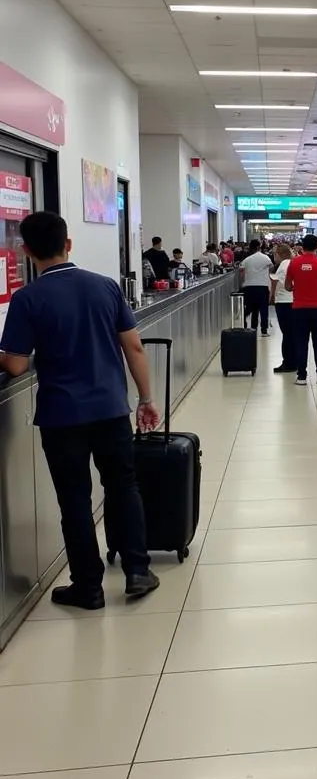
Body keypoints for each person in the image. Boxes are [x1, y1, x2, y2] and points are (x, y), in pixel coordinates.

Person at [0, 212, 160, 608]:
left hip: (61, 415)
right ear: (68, 244)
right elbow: (134, 348)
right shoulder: (105, 287)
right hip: (110, 408)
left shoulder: (27, 299)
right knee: (123, 486)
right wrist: (146, 399)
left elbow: (16, 364)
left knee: (74, 499)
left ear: (26, 252)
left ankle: (88, 587)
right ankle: (137, 571)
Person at [285, 234, 317, 385]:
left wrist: (296, 287)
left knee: (301, 342)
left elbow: (287, 286)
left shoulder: (294, 263)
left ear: (302, 246)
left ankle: (301, 376)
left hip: (299, 308)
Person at [269, 243, 295, 374]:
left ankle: (288, 363)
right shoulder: (293, 263)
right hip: (293, 301)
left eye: (275, 254)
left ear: (282, 254)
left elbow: (276, 283)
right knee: (293, 333)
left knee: (287, 334)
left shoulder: (282, 266)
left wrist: (272, 296)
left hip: (284, 302)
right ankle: (294, 361)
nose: (274, 257)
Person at [239, 239, 273, 336]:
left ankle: (253, 327)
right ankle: (264, 331)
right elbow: (271, 267)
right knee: (263, 309)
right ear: (259, 247)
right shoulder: (265, 258)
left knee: (253, 308)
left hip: (249, 286)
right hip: (262, 286)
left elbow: (241, 272)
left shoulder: (247, 259)